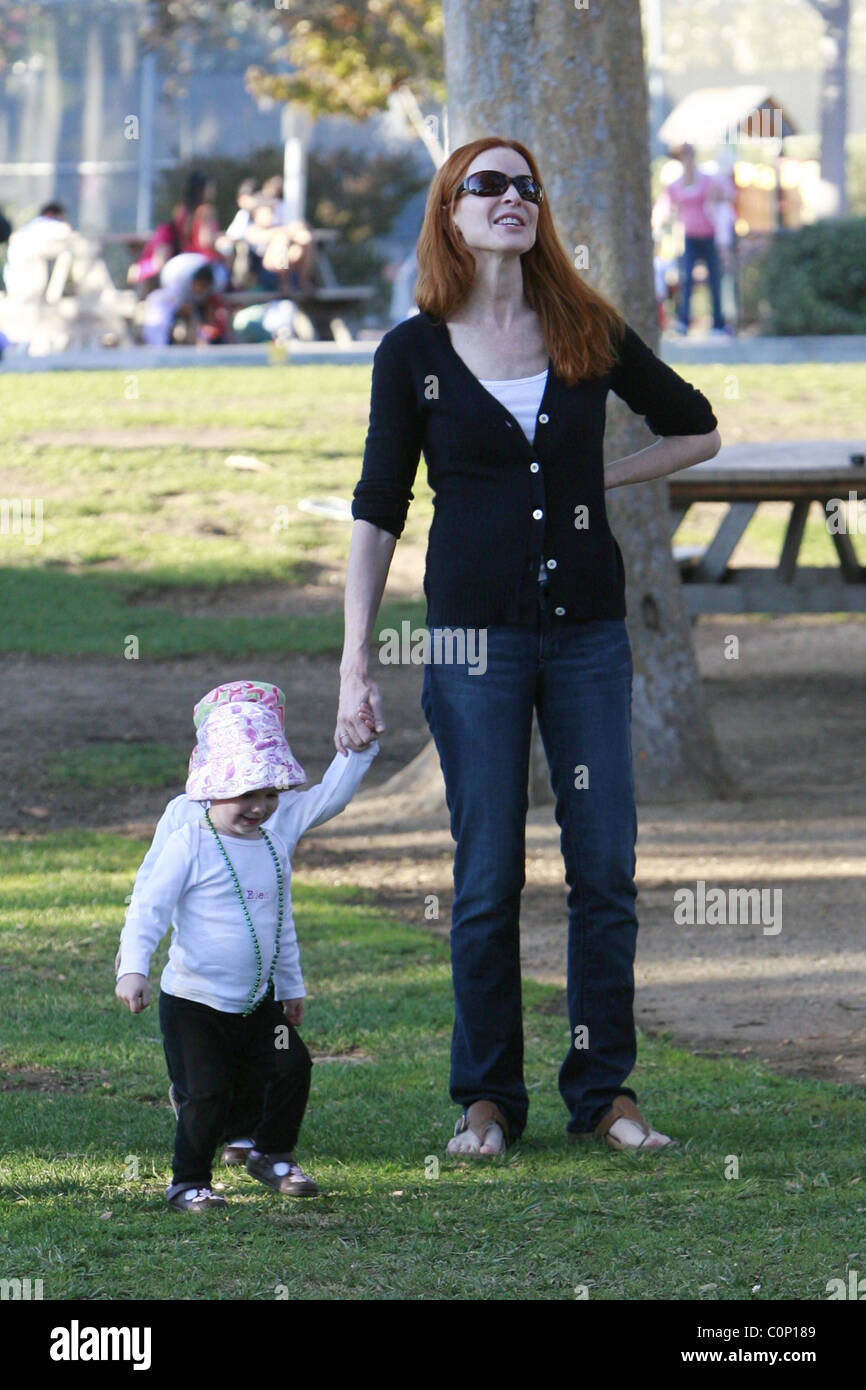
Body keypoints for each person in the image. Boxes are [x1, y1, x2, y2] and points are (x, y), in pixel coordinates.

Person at [337, 137, 721, 1158]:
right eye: (488, 187)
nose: (512, 199)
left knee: (602, 867)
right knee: (486, 873)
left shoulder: (583, 329)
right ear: (450, 214)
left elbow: (695, 427)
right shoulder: (410, 353)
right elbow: (378, 507)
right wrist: (354, 661)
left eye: (526, 187)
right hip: (470, 643)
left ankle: (602, 1092)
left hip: (588, 637)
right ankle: (485, 1099)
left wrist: (602, 484)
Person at [115, 681, 379, 1211]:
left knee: (288, 1066)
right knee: (206, 1090)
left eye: (269, 792)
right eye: (246, 792)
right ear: (210, 785)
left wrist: (292, 988)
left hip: (258, 999)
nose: (260, 805)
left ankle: (269, 1153)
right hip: (195, 1000)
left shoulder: (274, 839)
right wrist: (133, 964)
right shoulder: (187, 829)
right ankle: (189, 1181)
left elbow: (281, 923)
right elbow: (151, 900)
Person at [656, 143, 732, 335]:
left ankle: (718, 323)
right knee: (687, 279)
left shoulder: (707, 180)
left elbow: (729, 193)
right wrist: (658, 223)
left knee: (714, 279)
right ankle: (684, 320)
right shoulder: (676, 185)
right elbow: (664, 205)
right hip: (690, 237)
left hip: (709, 235)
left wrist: (719, 197)